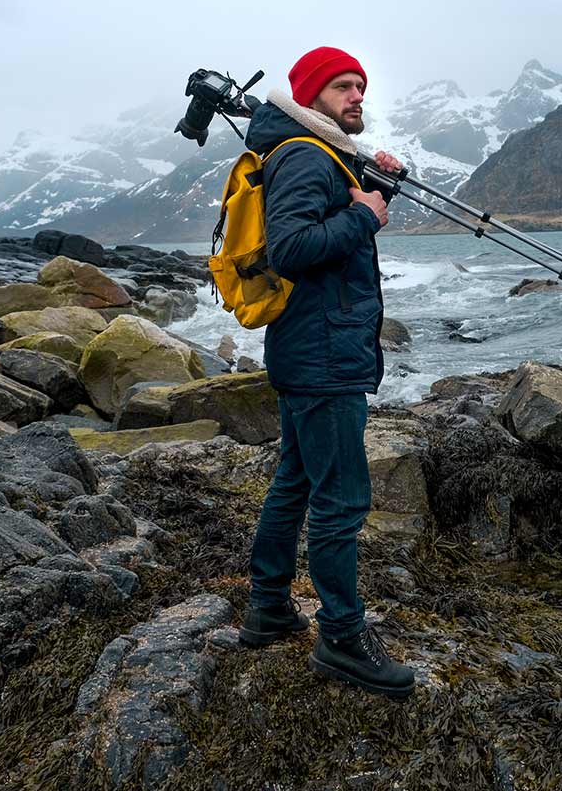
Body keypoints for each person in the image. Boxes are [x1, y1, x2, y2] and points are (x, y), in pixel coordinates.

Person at [236, 45, 416, 699]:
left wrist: (376, 192)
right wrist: (365, 215)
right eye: (342, 86)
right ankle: (342, 638)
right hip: (324, 357)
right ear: (311, 96)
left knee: (296, 479)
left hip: (308, 348)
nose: (356, 96)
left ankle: (268, 605)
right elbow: (290, 248)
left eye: (360, 86)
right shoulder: (309, 157)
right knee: (341, 499)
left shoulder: (315, 153)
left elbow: (327, 226)